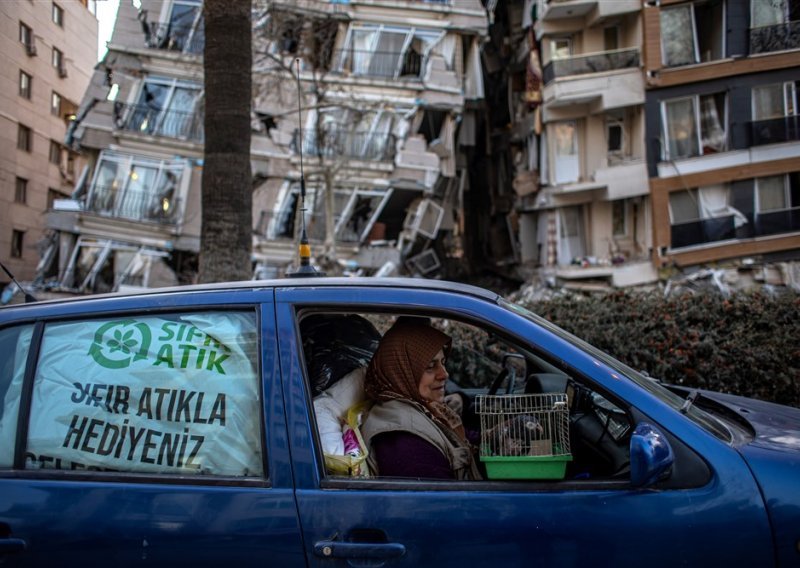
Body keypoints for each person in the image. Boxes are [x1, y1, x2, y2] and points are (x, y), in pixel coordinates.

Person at [361, 318, 482, 480]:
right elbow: (442, 502)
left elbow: (459, 439)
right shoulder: (406, 443)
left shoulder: (425, 408)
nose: (444, 374)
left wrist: (500, 434)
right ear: (402, 372)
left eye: (443, 362)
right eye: (430, 366)